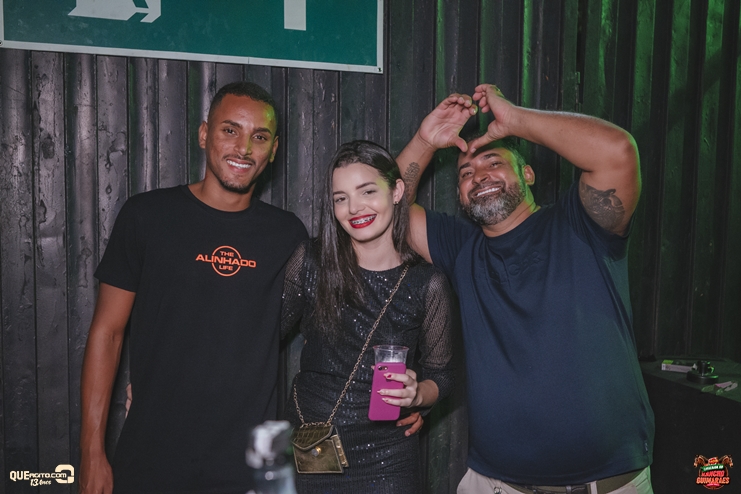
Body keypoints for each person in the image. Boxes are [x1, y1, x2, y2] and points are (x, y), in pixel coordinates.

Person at [396, 84, 655, 494]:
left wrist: (515, 120)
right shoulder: (462, 249)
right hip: (495, 484)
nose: (479, 176)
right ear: (459, 194)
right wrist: (425, 141)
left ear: (527, 173)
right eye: (465, 173)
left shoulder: (582, 225)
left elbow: (618, 152)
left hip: (606, 484)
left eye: (493, 161)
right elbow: (386, 211)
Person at [79, 81, 310, 494]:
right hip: (151, 460)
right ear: (204, 134)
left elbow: (340, 313)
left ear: (273, 150)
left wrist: (417, 390)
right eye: (230, 130)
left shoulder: (287, 234)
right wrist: (91, 452)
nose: (244, 148)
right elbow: (107, 333)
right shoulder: (147, 216)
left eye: (259, 137)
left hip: (248, 469)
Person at [280, 140, 456, 493]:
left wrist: (418, 395)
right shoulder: (311, 261)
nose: (354, 208)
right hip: (312, 445)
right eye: (340, 198)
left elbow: (442, 374)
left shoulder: (428, 283)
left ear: (397, 192)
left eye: (367, 191)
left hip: (388, 457)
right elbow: (261, 335)